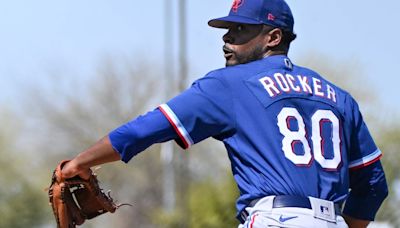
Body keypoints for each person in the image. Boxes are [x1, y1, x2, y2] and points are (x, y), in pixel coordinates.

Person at [61, 0, 388, 227]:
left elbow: (143, 130)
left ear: (273, 37)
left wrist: (79, 163)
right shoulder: (338, 97)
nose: (227, 37)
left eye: (241, 30)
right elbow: (373, 185)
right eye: (228, 28)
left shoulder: (230, 84)